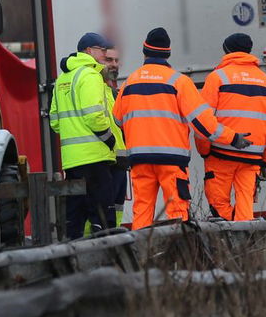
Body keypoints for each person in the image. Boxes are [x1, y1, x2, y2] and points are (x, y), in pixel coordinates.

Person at [113, 27, 249, 228]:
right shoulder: (179, 82)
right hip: (171, 160)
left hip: (140, 159)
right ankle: (180, 256)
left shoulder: (129, 83)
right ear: (168, 53)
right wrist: (233, 138)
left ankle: (143, 255)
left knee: (141, 211)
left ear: (145, 52)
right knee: (178, 213)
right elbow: (204, 124)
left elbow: (117, 120)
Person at [47, 31, 125, 238]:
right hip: (95, 156)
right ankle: (105, 257)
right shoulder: (90, 75)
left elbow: (55, 121)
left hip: (72, 160)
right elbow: (94, 116)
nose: (104, 54)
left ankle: (72, 254)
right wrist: (109, 139)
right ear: (89, 51)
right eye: (102, 50)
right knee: (102, 214)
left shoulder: (63, 78)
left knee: (76, 213)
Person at [198, 33, 266, 220]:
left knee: (218, 204)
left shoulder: (217, 77)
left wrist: (204, 150)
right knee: (245, 204)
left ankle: (233, 236)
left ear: (227, 50)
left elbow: (203, 120)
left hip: (221, 153)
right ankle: (245, 240)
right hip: (252, 157)